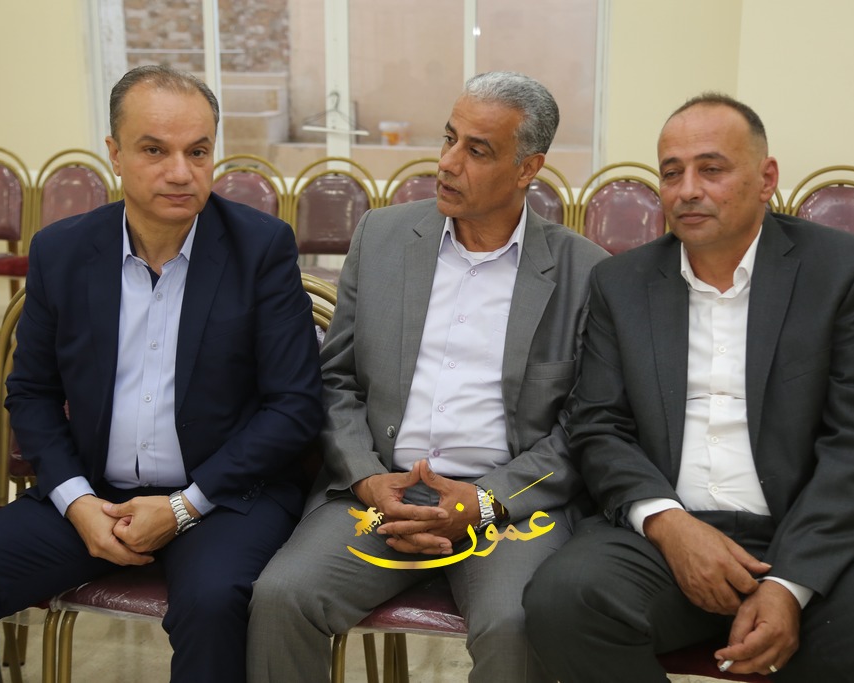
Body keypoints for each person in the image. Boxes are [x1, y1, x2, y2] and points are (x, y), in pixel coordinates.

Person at [523, 92, 854, 682]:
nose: (688, 190)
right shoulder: (620, 283)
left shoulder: (839, 270)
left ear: (765, 179)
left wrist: (788, 585)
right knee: (562, 603)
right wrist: (669, 525)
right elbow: (599, 424)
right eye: (671, 173)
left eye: (712, 169)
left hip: (809, 536)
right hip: (663, 538)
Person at [0, 65, 323, 682]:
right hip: (95, 494)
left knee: (214, 603)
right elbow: (31, 392)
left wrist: (183, 506)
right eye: (154, 150)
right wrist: (77, 501)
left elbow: (294, 406)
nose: (181, 172)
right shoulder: (62, 251)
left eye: (198, 152)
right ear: (114, 154)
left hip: (223, 497)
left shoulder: (261, 247)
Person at [246, 71, 607, 683]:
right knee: (282, 597)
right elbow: (334, 382)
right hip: (379, 493)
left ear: (528, 169)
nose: (447, 162)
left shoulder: (583, 272)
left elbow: (582, 428)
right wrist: (367, 479)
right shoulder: (382, 237)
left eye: (477, 150)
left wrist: (485, 500)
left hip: (507, 508)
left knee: (517, 623)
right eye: (448, 138)